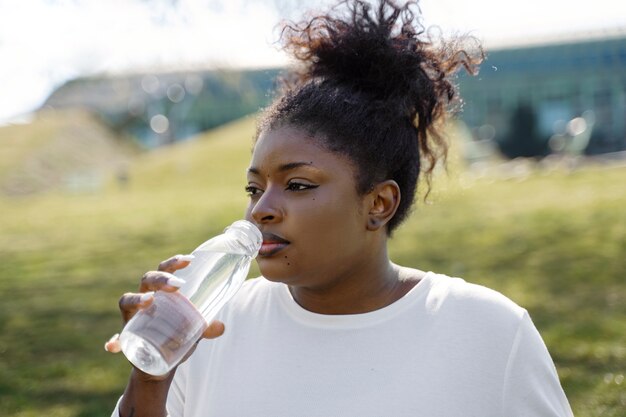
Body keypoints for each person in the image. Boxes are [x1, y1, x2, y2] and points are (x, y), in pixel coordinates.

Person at [106, 1, 574, 416]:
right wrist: (151, 377)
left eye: (298, 184)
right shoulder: (208, 330)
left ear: (378, 203)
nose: (261, 210)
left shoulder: (488, 332)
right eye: (254, 189)